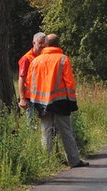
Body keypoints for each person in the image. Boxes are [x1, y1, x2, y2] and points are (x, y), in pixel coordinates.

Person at [26, 33, 89, 168]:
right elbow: (69, 83)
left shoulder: (35, 61)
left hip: (41, 103)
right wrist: (72, 103)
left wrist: (33, 102)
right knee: (66, 131)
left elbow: (30, 83)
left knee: (45, 132)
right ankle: (74, 161)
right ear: (58, 44)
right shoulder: (62, 59)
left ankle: (46, 163)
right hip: (61, 102)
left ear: (46, 44)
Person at [17, 32, 47, 125]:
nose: (42, 46)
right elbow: (21, 79)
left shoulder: (44, 57)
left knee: (46, 124)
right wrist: (22, 99)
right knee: (31, 124)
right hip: (30, 98)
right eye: (40, 43)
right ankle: (30, 139)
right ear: (34, 43)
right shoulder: (26, 59)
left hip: (43, 97)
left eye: (44, 43)